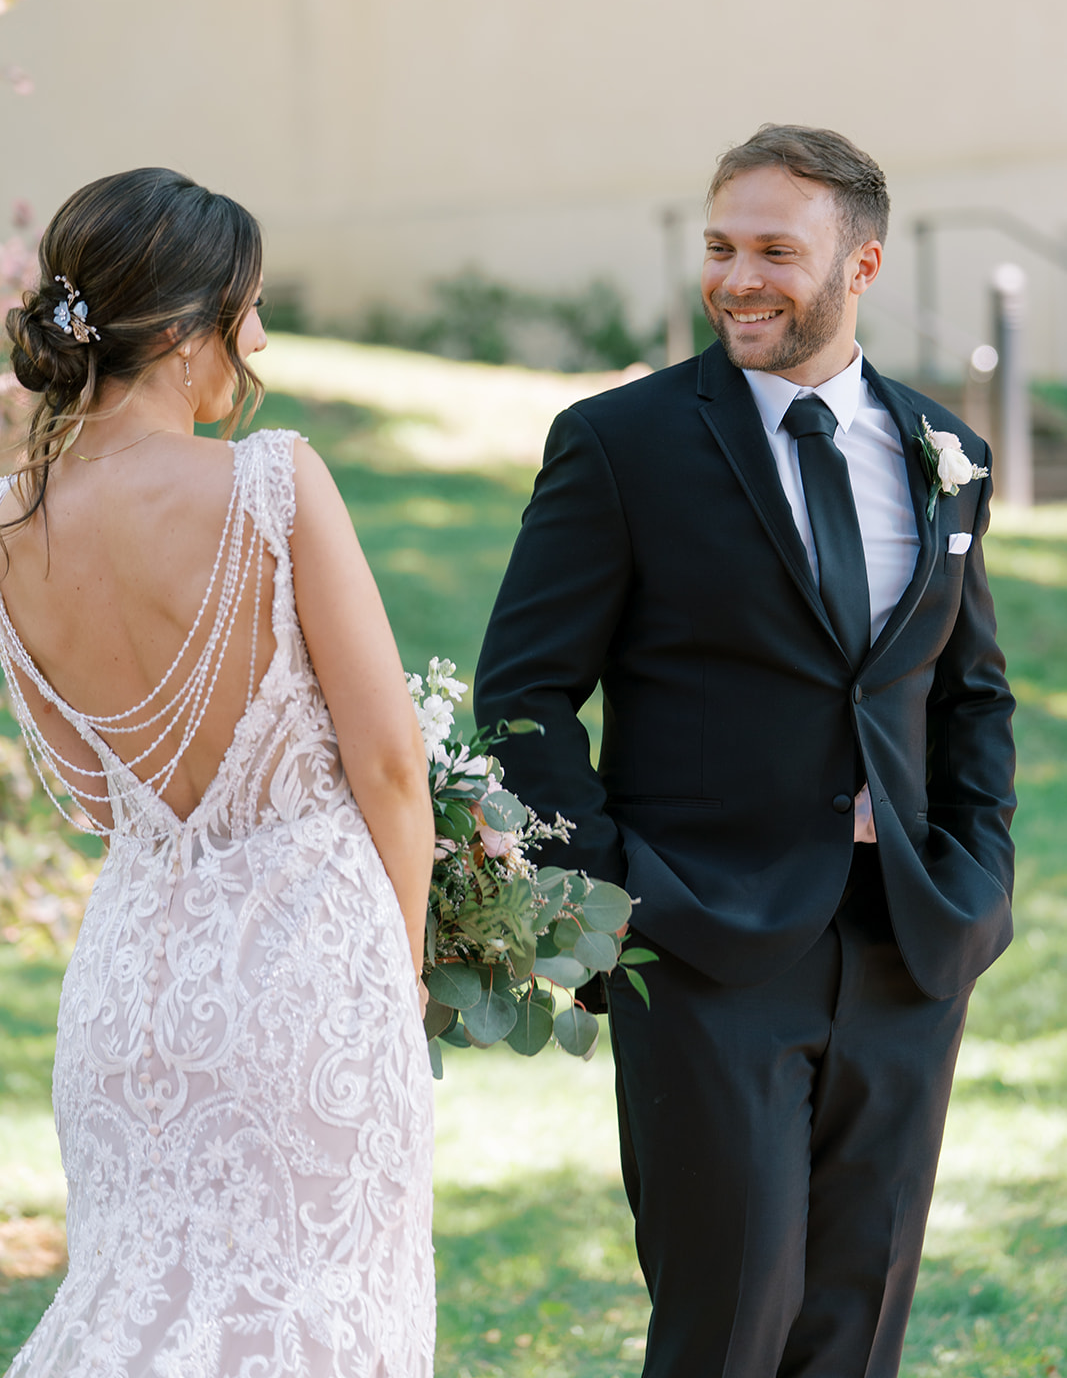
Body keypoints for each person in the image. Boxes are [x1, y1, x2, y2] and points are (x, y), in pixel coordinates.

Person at [475, 125, 1016, 1378]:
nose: (737, 279)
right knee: (726, 1324)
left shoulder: (946, 455)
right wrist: (615, 902)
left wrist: (975, 880)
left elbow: (968, 695)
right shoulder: (621, 445)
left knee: (855, 1328)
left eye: (776, 250)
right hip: (701, 945)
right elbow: (522, 697)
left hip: (903, 947)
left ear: (860, 265)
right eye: (721, 247)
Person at [0, 169, 436, 1378]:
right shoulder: (269, 480)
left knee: (136, 1308)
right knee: (318, 1317)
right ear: (188, 332)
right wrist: (392, 986)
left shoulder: (10, 530)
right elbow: (393, 765)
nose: (258, 345)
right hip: (304, 975)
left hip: (129, 992)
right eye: (247, 313)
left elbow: (91, 794)